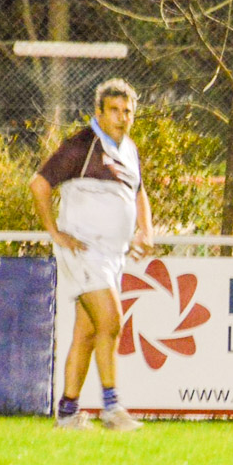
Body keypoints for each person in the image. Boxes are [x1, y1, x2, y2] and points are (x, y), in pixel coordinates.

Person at [31, 78, 153, 432]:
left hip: (113, 256)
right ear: (98, 112)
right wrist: (54, 232)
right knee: (111, 321)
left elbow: (139, 191)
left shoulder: (128, 148)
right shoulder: (81, 145)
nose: (122, 117)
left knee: (87, 333)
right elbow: (39, 184)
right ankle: (112, 409)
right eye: (114, 110)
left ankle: (68, 414)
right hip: (84, 252)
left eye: (127, 111)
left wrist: (145, 228)